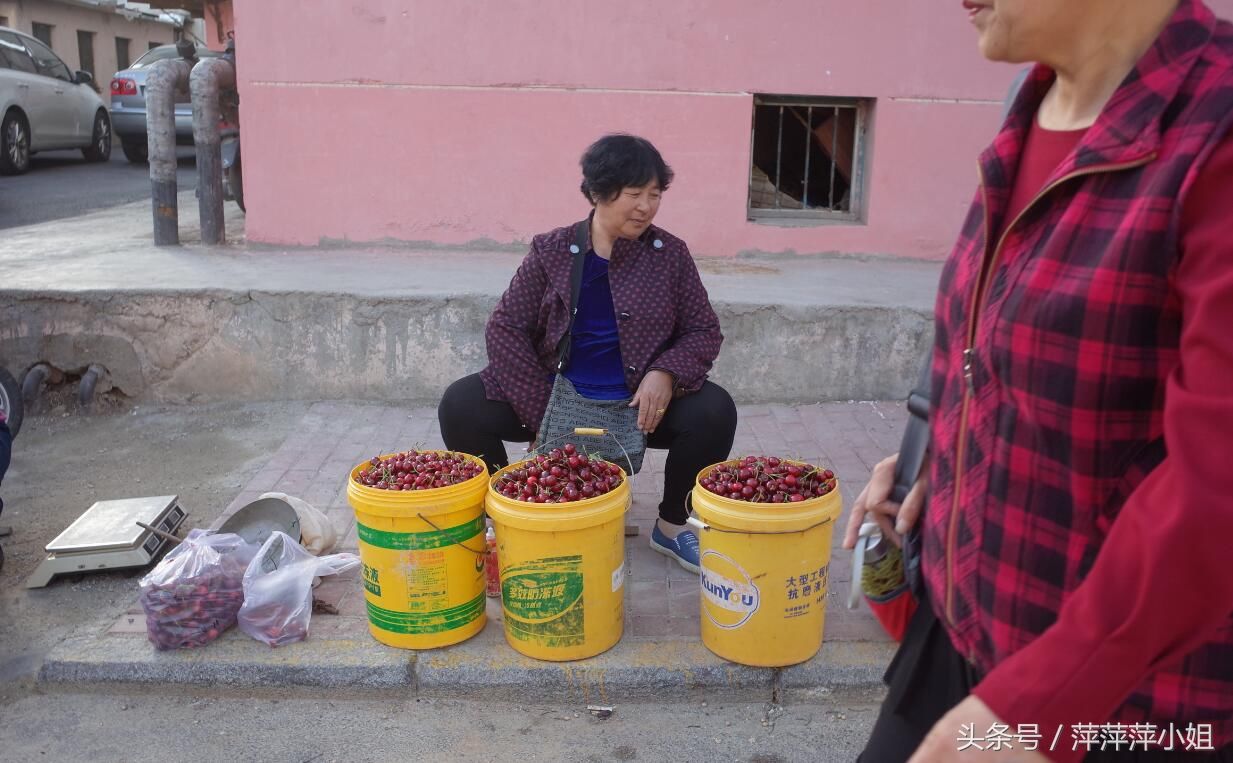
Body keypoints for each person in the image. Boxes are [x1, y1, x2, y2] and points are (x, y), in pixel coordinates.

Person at [844, 0, 1233, 760]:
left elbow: (1212, 485)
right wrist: (939, 462)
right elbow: (992, 349)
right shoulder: (1030, 109)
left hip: (1126, 705)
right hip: (964, 632)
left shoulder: (1212, 131)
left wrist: (1044, 705)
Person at [438, 134, 737, 574]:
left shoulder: (669, 255)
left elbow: (701, 329)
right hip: (558, 395)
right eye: (634, 194)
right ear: (598, 192)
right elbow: (506, 328)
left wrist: (666, 373)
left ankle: (672, 526)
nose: (645, 207)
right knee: (460, 405)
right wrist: (542, 411)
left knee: (715, 411)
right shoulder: (552, 251)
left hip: (638, 406)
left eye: (655, 195)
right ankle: (507, 516)